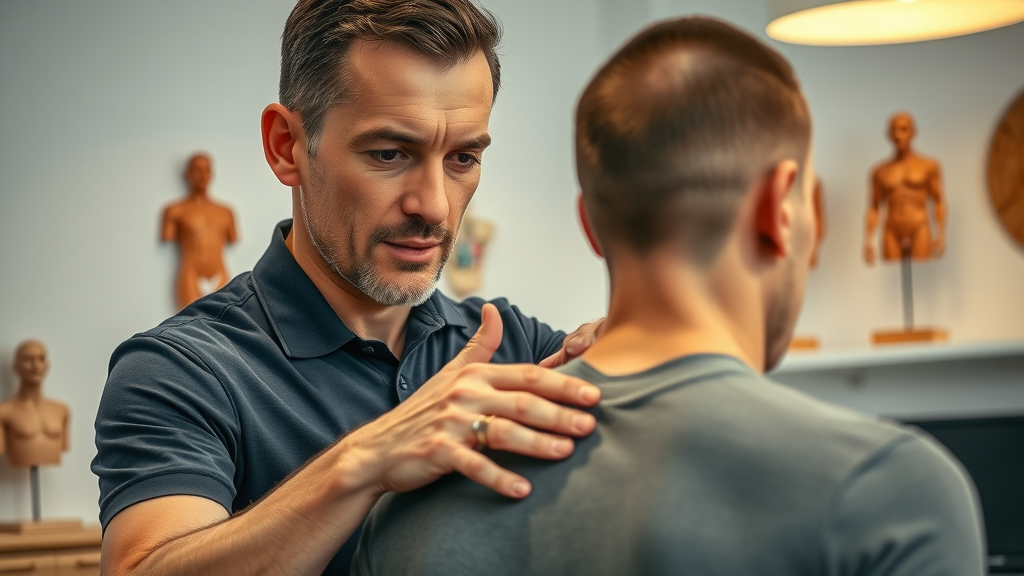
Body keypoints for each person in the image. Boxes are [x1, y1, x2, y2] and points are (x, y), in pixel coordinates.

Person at [352, 17, 985, 576]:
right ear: (780, 209)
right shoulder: (889, 492)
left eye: (461, 158)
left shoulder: (407, 510)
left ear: (590, 224)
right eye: (387, 152)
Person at [93, 2, 604, 575]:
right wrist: (365, 461)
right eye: (389, 153)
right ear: (286, 146)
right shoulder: (182, 371)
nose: (434, 206)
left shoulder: (518, 349)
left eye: (462, 157)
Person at [864, 112, 947, 264]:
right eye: (894, 130)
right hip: (892, 227)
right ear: (888, 134)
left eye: (904, 130)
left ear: (913, 132)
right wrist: (868, 240)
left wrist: (941, 235)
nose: (898, 135)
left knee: (920, 272)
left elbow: (938, 201)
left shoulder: (929, 166)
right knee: (895, 272)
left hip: (919, 225)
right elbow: (874, 208)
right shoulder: (879, 171)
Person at [161, 152, 238, 309]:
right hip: (190, 275)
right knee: (188, 321)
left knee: (224, 320)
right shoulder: (175, 211)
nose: (203, 175)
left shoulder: (226, 211)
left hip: (220, 274)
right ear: (188, 174)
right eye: (198, 170)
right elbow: (167, 237)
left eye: (207, 170)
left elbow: (233, 238)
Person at [0, 340, 69, 468]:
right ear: (16, 366)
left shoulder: (61, 410)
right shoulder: (4, 411)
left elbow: (64, 446)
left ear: (47, 365)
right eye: (28, 359)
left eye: (41, 359)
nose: (36, 365)